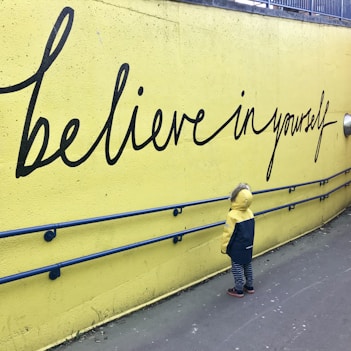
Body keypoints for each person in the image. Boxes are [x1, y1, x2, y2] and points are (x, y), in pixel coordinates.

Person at [221, 183, 255, 298]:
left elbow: (228, 233)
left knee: (237, 266)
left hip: (237, 247)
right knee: (247, 264)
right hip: (248, 245)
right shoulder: (250, 212)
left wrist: (224, 247)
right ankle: (249, 286)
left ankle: (238, 289)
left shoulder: (232, 215)